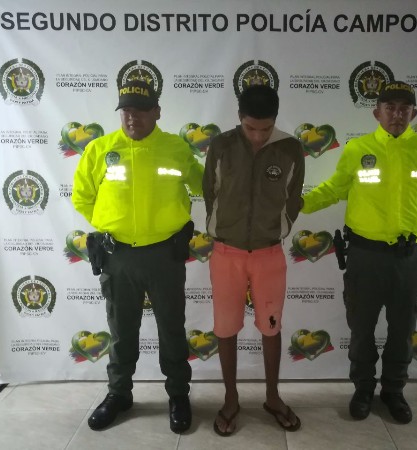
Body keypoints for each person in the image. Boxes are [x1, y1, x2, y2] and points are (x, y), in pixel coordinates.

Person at [301, 81, 417, 424]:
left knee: (403, 328)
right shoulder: (358, 149)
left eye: (404, 108)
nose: (397, 114)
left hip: (408, 257)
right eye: (390, 108)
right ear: (377, 113)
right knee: (362, 326)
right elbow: (335, 188)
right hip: (364, 255)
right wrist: (301, 204)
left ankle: (394, 391)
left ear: (414, 113)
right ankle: (363, 389)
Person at [72, 79, 204, 433]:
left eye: (141, 110)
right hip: (118, 257)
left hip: (165, 256)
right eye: (127, 111)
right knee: (121, 330)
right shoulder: (100, 149)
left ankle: (178, 394)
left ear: (157, 112)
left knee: (172, 329)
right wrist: (110, 224)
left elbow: (204, 185)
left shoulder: (176, 148)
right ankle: (119, 394)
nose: (133, 117)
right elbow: (82, 196)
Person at [202, 85, 305, 436]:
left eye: (266, 128)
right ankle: (230, 399)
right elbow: (209, 191)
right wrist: (224, 229)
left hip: (269, 254)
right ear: (239, 118)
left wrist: (279, 227)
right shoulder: (221, 145)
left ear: (275, 120)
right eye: (250, 128)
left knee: (271, 326)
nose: (259, 136)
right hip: (226, 254)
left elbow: (294, 198)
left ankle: (273, 397)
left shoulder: (290, 148)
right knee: (226, 327)